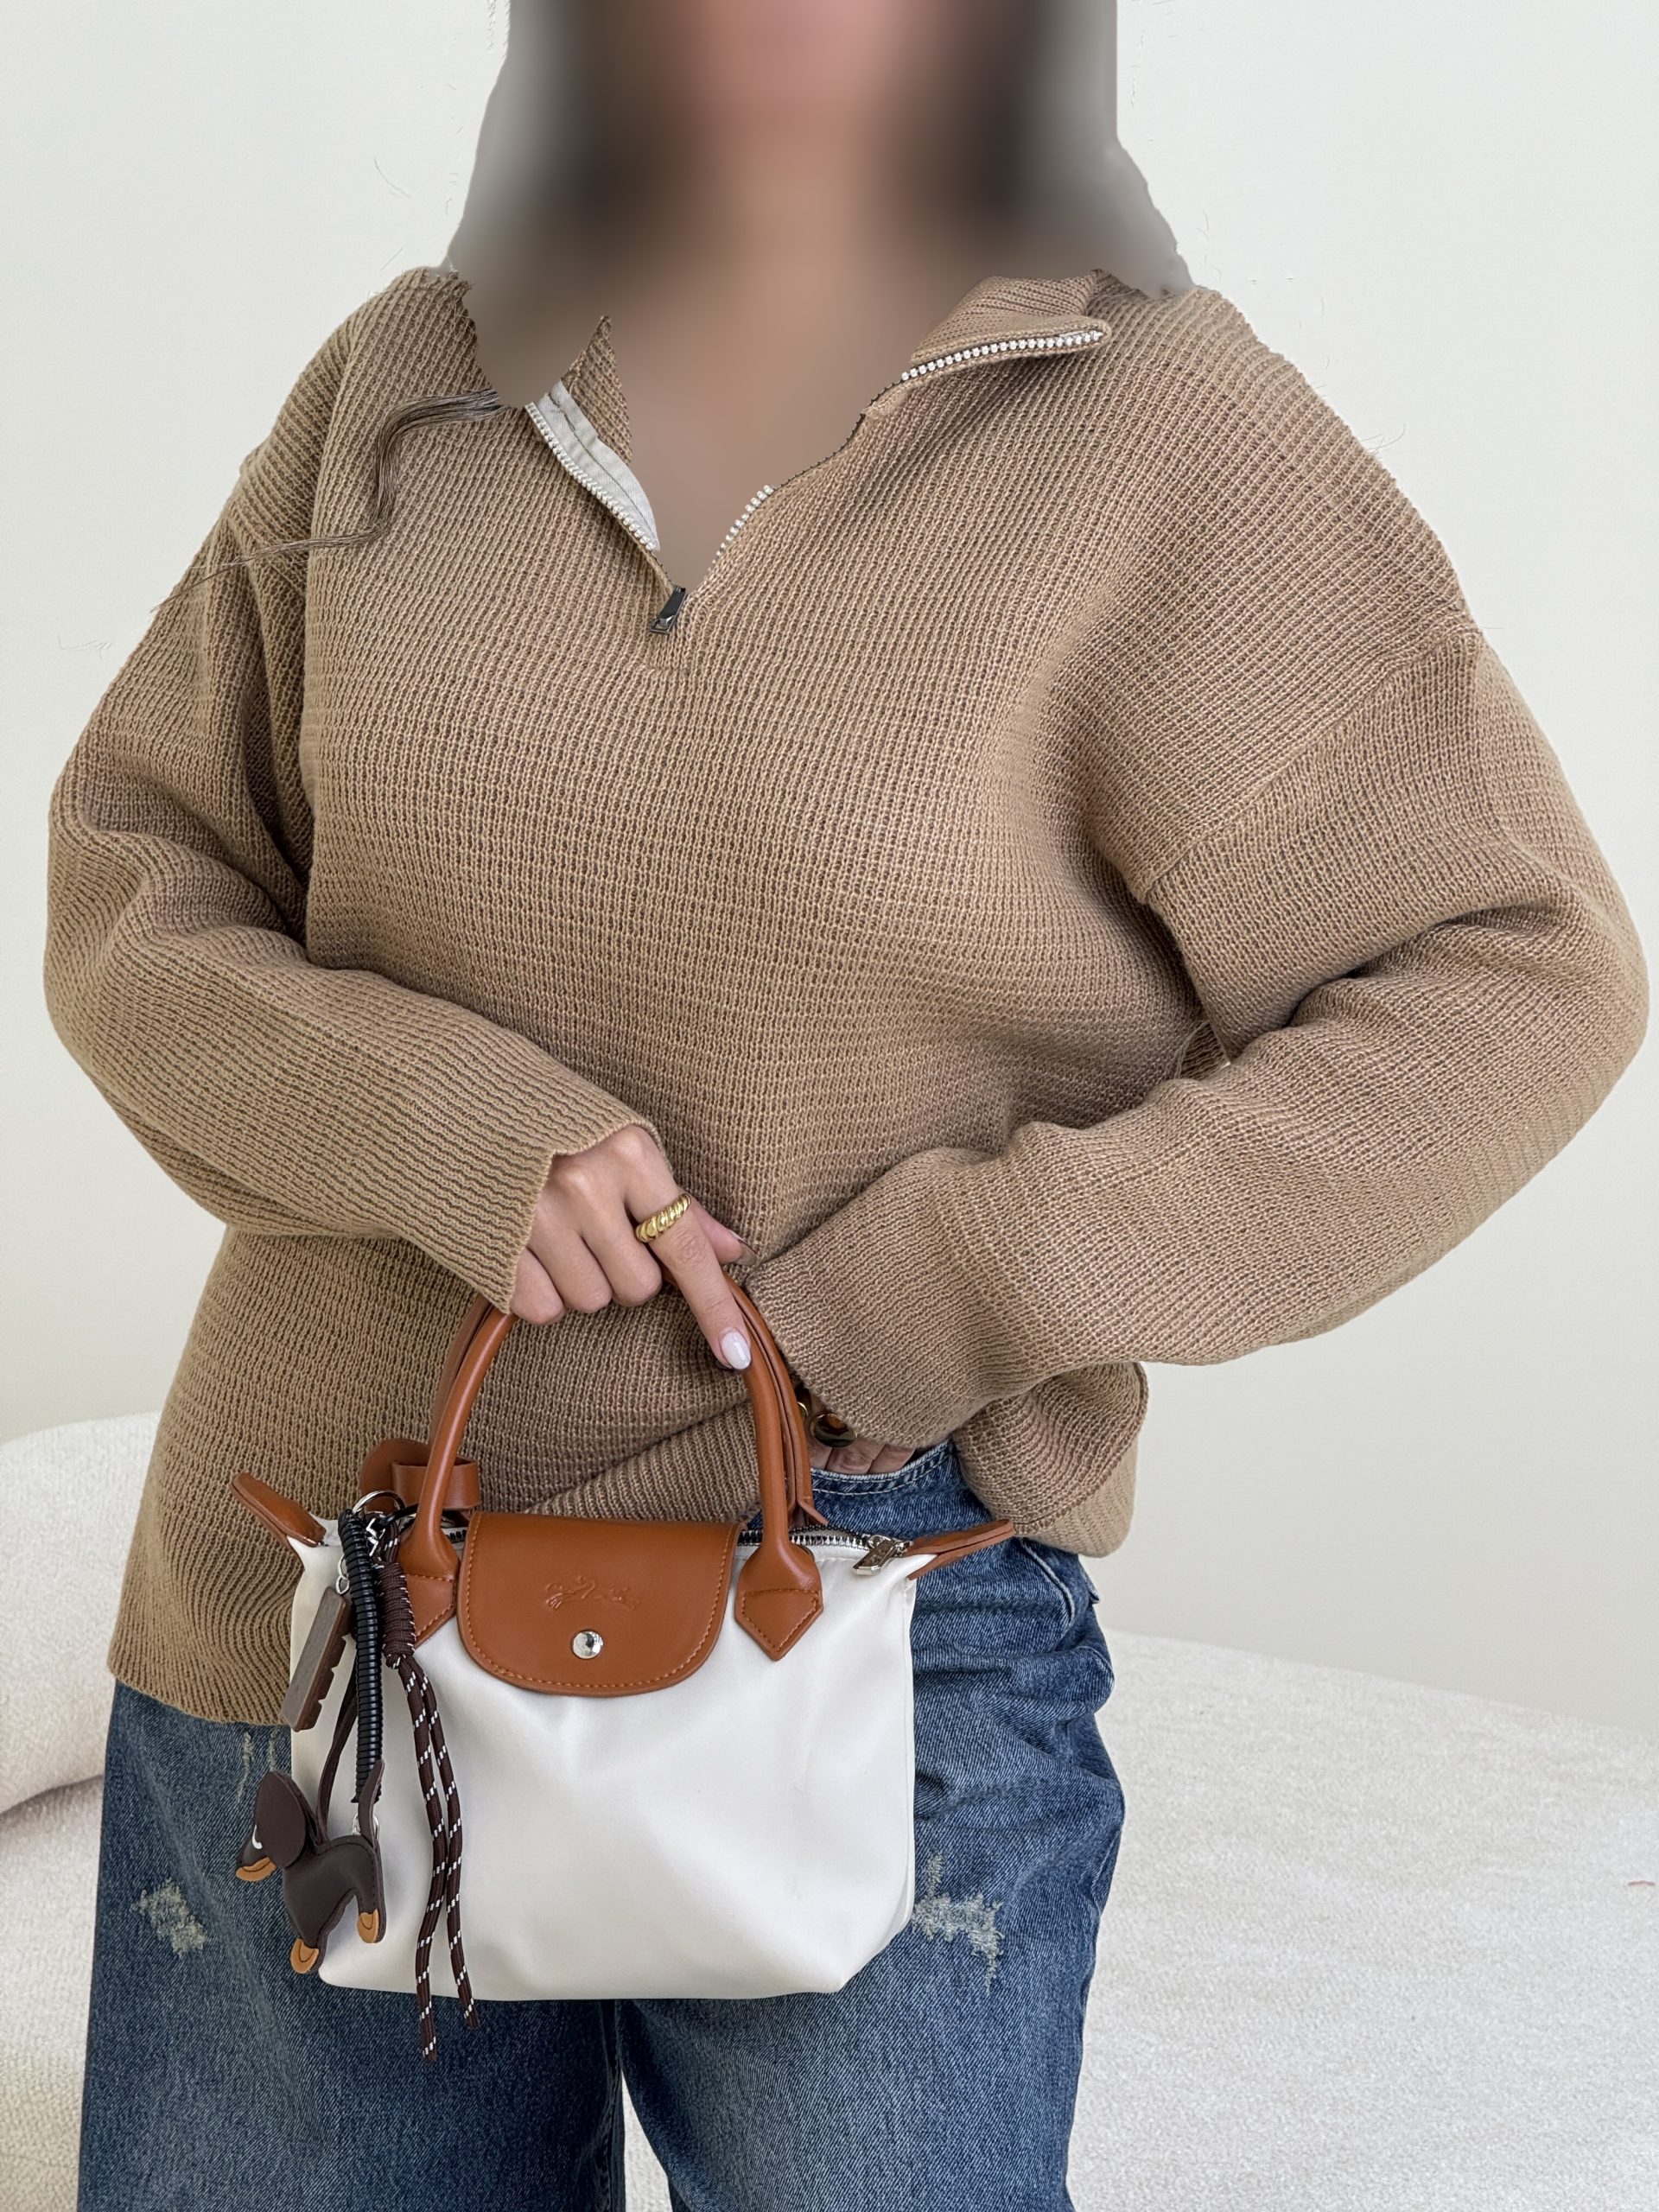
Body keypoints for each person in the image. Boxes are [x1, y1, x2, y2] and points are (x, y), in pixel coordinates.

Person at [42, 4, 1644, 2209]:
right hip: (323, 1599)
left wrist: (943, 1282)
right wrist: (450, 1131)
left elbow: (1518, 966)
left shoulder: (1171, 437)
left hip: (879, 1598)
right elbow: (132, 887)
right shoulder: (406, 382)